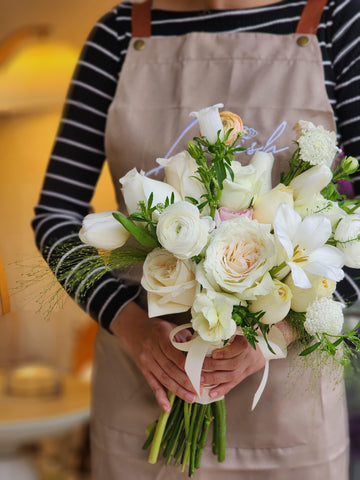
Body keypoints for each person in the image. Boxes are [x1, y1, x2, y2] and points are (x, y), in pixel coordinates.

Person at [32, 0, 360, 478]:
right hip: (142, 388)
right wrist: (129, 324)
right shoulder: (119, 33)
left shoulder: (337, 24)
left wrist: (276, 334)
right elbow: (56, 212)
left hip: (287, 411)